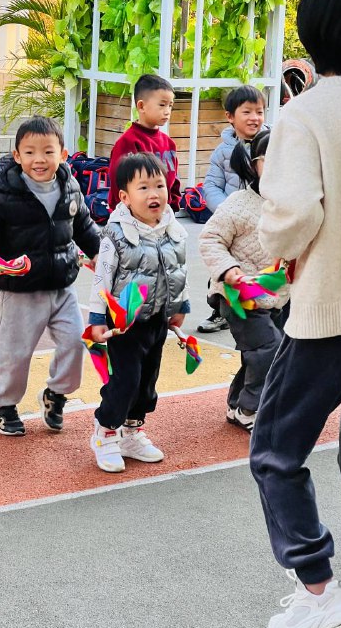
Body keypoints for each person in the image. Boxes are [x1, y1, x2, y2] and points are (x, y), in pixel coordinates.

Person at [249, 0, 341, 628]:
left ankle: (317, 586)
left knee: (275, 449)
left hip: (331, 312)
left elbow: (293, 213)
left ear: (313, 34)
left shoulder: (306, 115)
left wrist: (271, 248)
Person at [0, 116, 100, 437]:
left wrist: (98, 253)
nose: (39, 160)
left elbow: (83, 225)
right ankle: (5, 406)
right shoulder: (4, 195)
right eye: (30, 152)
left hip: (61, 286)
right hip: (20, 290)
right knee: (14, 353)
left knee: (75, 343)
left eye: (48, 152)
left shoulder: (70, 187)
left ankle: (56, 394)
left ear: (63, 154)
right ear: (17, 156)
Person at [88, 153, 190, 473]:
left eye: (159, 185)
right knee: (126, 381)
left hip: (157, 320)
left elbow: (177, 270)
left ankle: (132, 432)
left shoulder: (172, 229)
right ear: (125, 197)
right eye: (143, 187)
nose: (154, 194)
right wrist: (95, 318)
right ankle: (105, 432)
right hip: (125, 324)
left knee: (147, 382)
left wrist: (179, 307)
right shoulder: (117, 233)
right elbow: (102, 277)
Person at [198, 131, 288, 433]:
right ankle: (250, 408)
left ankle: (237, 403)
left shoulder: (291, 205)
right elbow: (210, 238)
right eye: (270, 159)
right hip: (237, 294)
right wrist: (229, 270)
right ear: (254, 166)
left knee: (266, 352)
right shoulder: (240, 202)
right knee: (268, 350)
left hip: (275, 295)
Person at [197, 85, 268, 334]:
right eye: (247, 112)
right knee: (224, 268)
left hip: (261, 220)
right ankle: (220, 311)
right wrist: (225, 210)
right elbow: (211, 186)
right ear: (230, 116)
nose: (254, 118)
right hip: (231, 221)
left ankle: (260, 309)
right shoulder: (223, 151)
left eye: (259, 112)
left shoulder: (270, 147)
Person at [108, 74, 181, 213]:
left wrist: (173, 205)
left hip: (162, 212)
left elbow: (174, 179)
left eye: (170, 106)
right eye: (162, 105)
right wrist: (124, 212)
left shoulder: (169, 143)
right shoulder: (128, 142)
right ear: (141, 106)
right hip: (133, 216)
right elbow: (118, 182)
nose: (167, 111)